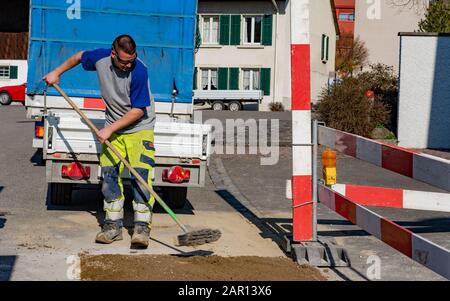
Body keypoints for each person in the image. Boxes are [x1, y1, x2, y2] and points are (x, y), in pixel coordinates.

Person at [44, 34, 156, 248]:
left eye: (131, 60)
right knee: (109, 176)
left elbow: (138, 111)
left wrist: (109, 129)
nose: (127, 65)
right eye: (123, 61)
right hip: (113, 124)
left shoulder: (139, 71)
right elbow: (78, 57)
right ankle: (113, 226)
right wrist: (56, 73)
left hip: (139, 128)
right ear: (113, 54)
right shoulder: (101, 58)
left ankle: (142, 228)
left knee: (141, 175)